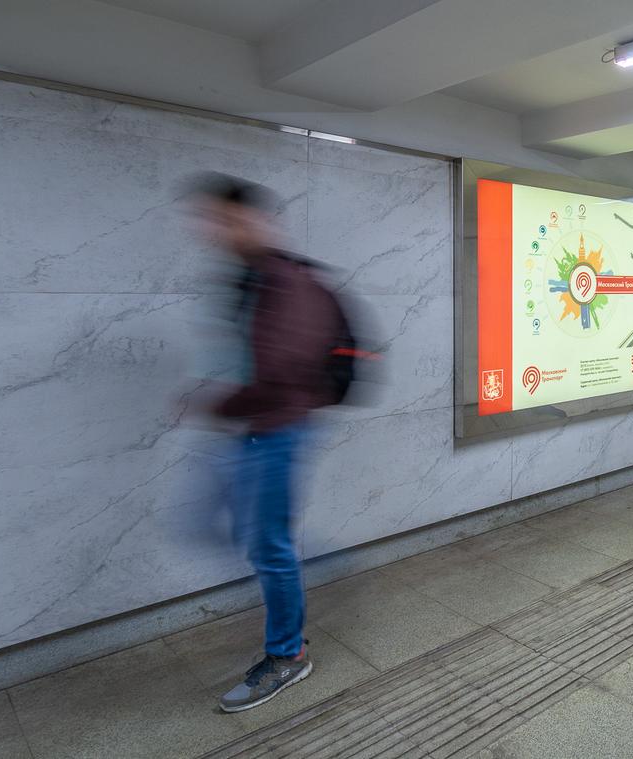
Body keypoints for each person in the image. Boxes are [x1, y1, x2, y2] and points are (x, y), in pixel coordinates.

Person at [191, 173, 342, 713]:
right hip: (258, 430)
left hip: (279, 430)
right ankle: (298, 604)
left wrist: (217, 405)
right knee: (252, 536)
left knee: (269, 545)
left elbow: (278, 374)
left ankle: (287, 655)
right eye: (212, 220)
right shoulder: (252, 278)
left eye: (227, 219)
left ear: (258, 220)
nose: (217, 231)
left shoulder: (283, 283)